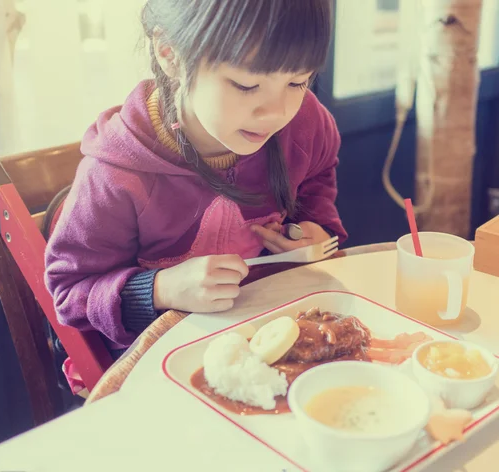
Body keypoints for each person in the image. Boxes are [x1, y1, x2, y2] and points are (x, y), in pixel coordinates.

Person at [45, 0, 347, 368]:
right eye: (247, 84)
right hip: (160, 364)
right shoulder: (116, 175)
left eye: (298, 81)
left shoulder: (305, 124)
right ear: (170, 52)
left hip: (266, 334)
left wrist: (313, 229)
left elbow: (318, 174)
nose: (276, 111)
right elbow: (69, 291)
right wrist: (161, 288)